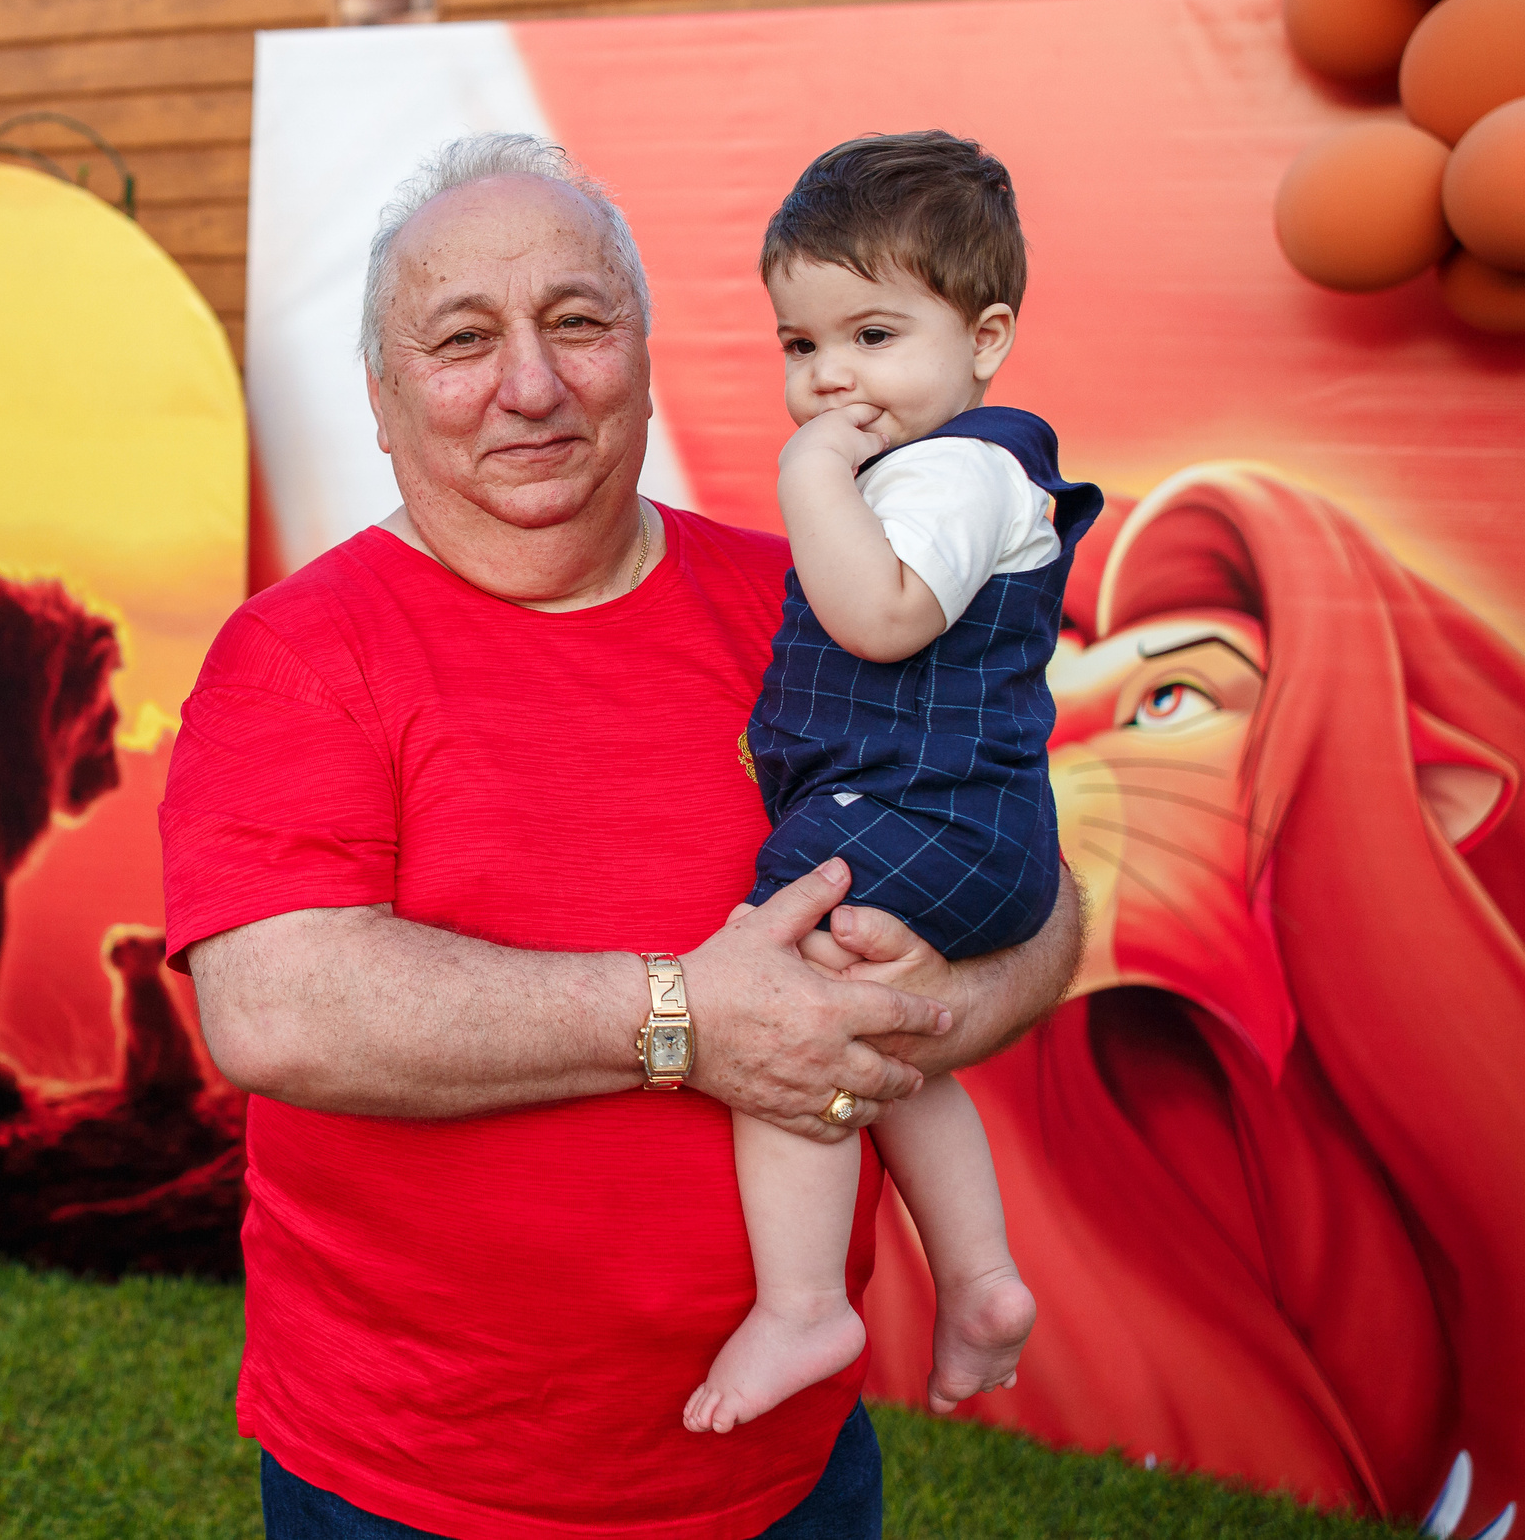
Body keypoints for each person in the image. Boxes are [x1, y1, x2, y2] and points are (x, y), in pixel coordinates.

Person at [160, 132, 1083, 1540]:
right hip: (420, 1485)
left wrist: (912, 1005)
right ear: (384, 400)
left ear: (646, 363)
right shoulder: (297, 654)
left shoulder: (819, 599)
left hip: (783, 1478)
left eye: (577, 323)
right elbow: (278, 1011)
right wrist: (687, 1018)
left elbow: (1042, 893)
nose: (531, 385)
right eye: (463, 340)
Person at [684, 134, 1101, 1438]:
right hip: (947, 822)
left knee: (783, 1002)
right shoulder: (914, 473)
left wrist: (808, 474)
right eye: (800, 345)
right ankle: (979, 1282)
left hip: (934, 817)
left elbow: (881, 620)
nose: (830, 378)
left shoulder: (961, 469)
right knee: (879, 1044)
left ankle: (805, 1302)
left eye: (872, 336)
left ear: (986, 338)